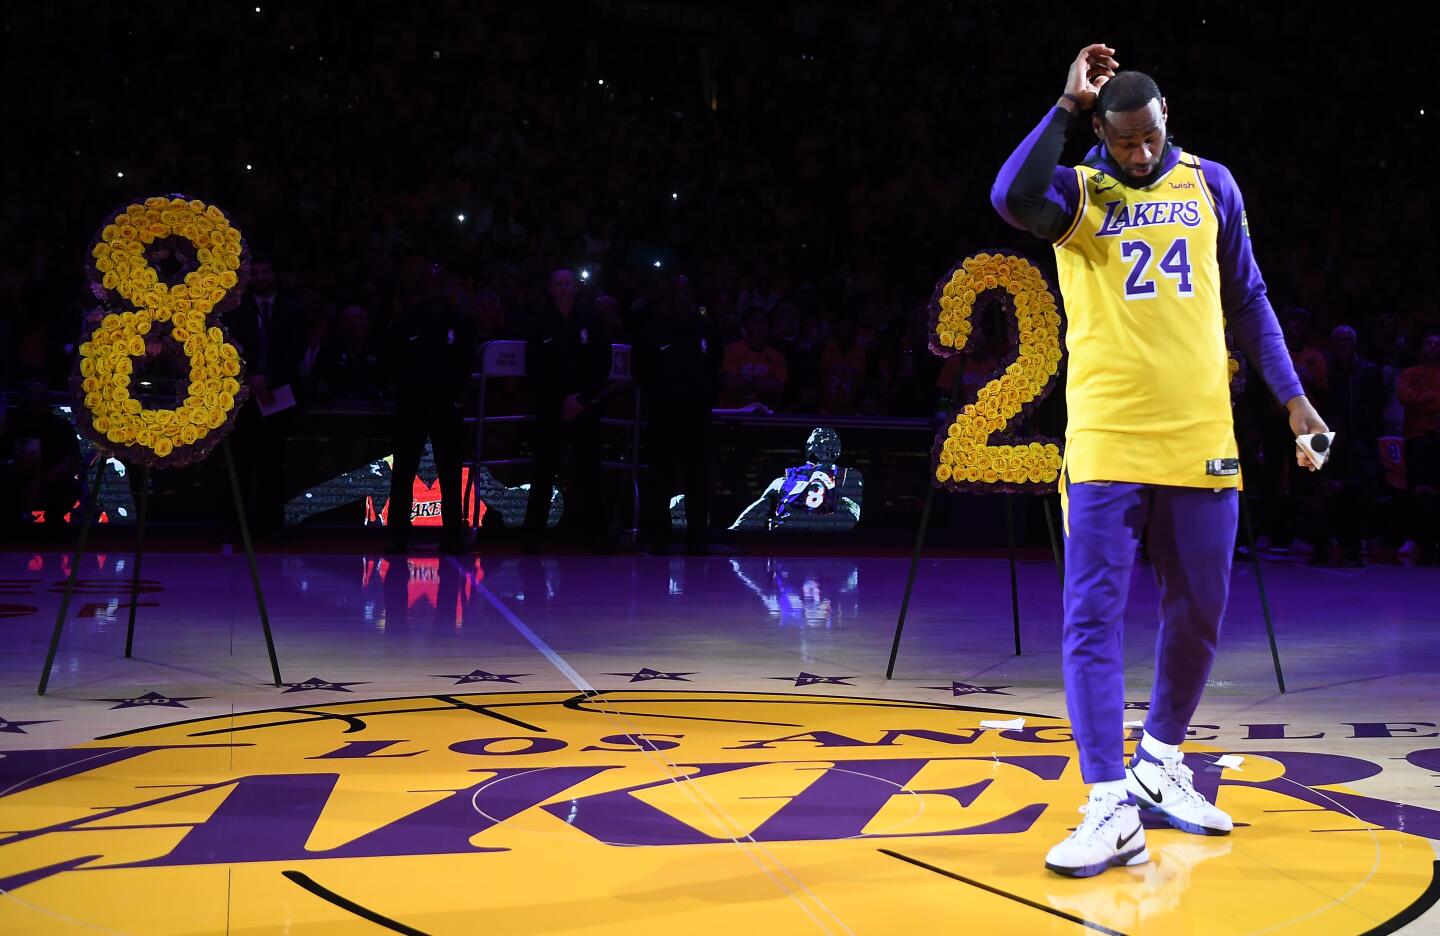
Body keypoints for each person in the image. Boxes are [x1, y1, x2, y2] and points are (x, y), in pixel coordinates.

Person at [992, 45, 1327, 877]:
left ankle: (1159, 761)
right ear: (1101, 132)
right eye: (1123, 141)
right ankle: (1108, 799)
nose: (1138, 155)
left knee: (1200, 613)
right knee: (1092, 618)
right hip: (1107, 438)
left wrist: (1293, 400)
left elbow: (1247, 298)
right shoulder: (1077, 190)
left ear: (1166, 117)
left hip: (1202, 435)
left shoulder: (1212, 184)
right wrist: (1065, 108)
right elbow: (1009, 196)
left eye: (1149, 139)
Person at [384, 262, 476, 555]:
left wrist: (457, 394)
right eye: (428, 282)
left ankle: (451, 536)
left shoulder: (458, 320)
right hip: (412, 404)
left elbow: (466, 361)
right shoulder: (407, 318)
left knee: (449, 472)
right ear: (422, 285)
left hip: (446, 406)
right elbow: (392, 357)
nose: (433, 287)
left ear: (445, 285)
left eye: (438, 282)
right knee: (404, 472)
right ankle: (398, 536)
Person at [522, 268, 616, 551]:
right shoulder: (540, 321)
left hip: (585, 408)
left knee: (590, 471)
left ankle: (595, 536)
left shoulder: (592, 319)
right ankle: (533, 536)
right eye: (558, 284)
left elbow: (602, 364)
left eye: (568, 283)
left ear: (576, 288)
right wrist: (561, 400)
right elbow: (534, 367)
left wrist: (582, 399)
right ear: (551, 288)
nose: (563, 288)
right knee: (543, 471)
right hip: (551, 408)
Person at [631, 274, 722, 555]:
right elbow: (640, 371)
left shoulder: (708, 330)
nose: (682, 299)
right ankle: (660, 537)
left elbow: (715, 369)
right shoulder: (654, 330)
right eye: (677, 293)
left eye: (687, 293)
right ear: (669, 297)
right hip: (663, 416)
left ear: (693, 297)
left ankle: (697, 537)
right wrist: (660, 396)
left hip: (697, 416)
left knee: (698, 478)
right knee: (660, 478)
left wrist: (702, 397)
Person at [225, 258, 307, 540]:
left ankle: (271, 525)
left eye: (266, 271)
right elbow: (230, 347)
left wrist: (268, 379)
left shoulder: (292, 308)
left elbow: (295, 351)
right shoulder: (236, 310)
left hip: (279, 394)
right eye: (256, 272)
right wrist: (252, 378)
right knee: (241, 461)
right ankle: (238, 526)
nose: (261, 276)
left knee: (273, 462)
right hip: (245, 395)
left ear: (274, 274)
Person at [1307, 325, 1384, 565]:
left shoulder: (1368, 371)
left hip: (1359, 436)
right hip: (1326, 434)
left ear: (1355, 343)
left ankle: (1352, 548)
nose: (1342, 344)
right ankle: (1319, 548)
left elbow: (1376, 406)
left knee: (1358, 491)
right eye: (1337, 340)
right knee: (1314, 493)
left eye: (1346, 340)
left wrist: (1341, 485)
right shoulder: (1327, 370)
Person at [1397, 333, 1440, 563]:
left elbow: (1416, 400)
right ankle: (1419, 541)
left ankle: (1433, 541)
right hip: (1416, 438)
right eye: (1429, 343)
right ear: (1422, 348)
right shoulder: (1409, 373)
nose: (1433, 347)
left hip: (1437, 438)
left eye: (1437, 344)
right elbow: (1405, 397)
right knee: (1418, 490)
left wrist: (1421, 400)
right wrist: (1432, 399)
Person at [719, 308, 788, 409]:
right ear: (745, 326)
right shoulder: (732, 350)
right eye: (755, 322)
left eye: (763, 323)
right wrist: (764, 384)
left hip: (763, 414)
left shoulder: (778, 357)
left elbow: (780, 388)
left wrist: (748, 382)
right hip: (733, 412)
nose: (760, 327)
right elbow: (731, 384)